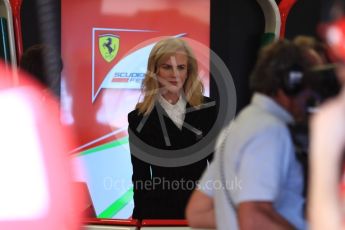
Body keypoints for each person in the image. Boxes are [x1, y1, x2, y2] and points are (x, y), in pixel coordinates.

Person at [186, 40, 315, 229]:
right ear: (291, 83)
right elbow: (254, 218)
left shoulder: (240, 126)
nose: (315, 93)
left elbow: (198, 212)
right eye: (311, 83)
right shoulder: (270, 130)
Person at [127, 37, 217, 219]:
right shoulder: (138, 119)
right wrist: (139, 221)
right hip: (159, 215)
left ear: (188, 71)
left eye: (181, 67)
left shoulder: (208, 110)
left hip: (200, 213)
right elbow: (141, 178)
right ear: (155, 71)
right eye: (167, 67)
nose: (174, 74)